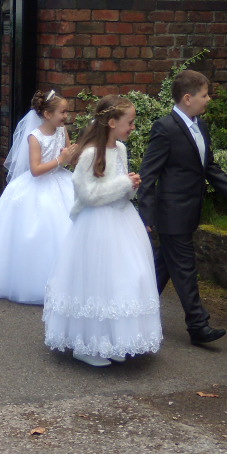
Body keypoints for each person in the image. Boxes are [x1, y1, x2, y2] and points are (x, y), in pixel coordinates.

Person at [137, 70, 227, 345]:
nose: (209, 99)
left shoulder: (200, 126)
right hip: (171, 213)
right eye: (204, 95)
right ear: (188, 98)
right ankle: (198, 325)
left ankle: (133, 311)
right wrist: (147, 213)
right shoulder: (165, 128)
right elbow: (149, 173)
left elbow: (209, 167)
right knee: (185, 268)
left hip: (189, 211)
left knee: (162, 267)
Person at [44, 95, 162, 367]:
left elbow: (120, 189)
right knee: (98, 280)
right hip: (97, 225)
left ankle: (111, 338)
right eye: (129, 122)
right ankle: (87, 344)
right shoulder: (89, 154)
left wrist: (130, 187)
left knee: (123, 279)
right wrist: (123, 184)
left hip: (122, 221)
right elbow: (88, 194)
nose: (132, 127)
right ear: (111, 122)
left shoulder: (120, 149)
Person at [0, 90, 76, 304]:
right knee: (43, 231)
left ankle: (67, 282)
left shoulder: (61, 130)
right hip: (40, 185)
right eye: (62, 112)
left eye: (66, 112)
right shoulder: (34, 137)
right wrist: (60, 160)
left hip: (62, 182)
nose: (66, 116)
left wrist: (73, 154)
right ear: (47, 114)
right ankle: (34, 281)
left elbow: (69, 155)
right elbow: (36, 169)